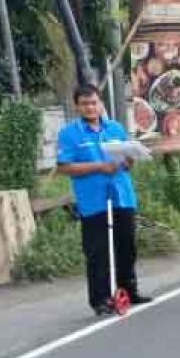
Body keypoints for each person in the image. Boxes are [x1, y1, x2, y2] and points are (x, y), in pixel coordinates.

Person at [57, 85, 152, 316]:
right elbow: (65, 167)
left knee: (126, 245)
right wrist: (100, 166)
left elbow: (127, 160)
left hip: (121, 194)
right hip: (93, 199)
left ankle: (129, 290)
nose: (90, 107)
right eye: (85, 104)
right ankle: (100, 299)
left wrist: (130, 161)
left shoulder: (115, 128)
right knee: (97, 251)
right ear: (78, 106)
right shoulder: (70, 134)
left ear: (101, 104)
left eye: (94, 103)